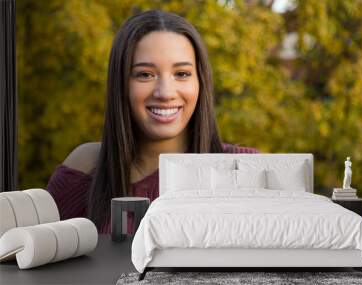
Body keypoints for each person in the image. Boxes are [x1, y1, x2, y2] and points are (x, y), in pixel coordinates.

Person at [46, 9, 260, 234]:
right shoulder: (86, 167)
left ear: (201, 82)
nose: (166, 93)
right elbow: (34, 253)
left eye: (182, 74)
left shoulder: (244, 169)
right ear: (121, 84)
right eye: (145, 75)